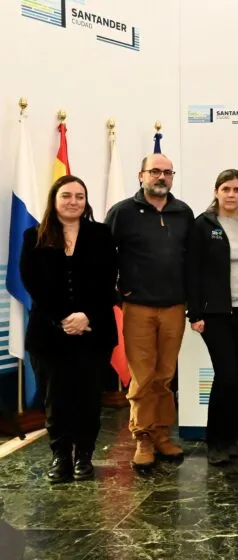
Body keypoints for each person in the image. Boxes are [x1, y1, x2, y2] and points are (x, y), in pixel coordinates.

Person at [21, 175, 118, 483]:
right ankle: (61, 457)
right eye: (67, 196)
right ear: (54, 199)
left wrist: (86, 316)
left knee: (88, 397)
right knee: (56, 398)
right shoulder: (33, 236)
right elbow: (32, 282)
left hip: (93, 333)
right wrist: (64, 317)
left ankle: (84, 457)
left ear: (85, 202)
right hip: (50, 334)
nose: (73, 201)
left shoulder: (102, 235)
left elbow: (108, 281)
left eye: (79, 196)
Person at [105, 153, 195, 470]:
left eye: (167, 172)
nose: (161, 177)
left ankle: (161, 434)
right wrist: (118, 293)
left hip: (174, 307)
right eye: (154, 171)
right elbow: (104, 257)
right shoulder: (122, 213)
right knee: (142, 376)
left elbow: (192, 260)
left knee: (165, 375)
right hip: (138, 307)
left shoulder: (183, 212)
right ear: (140, 175)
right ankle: (141, 436)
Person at [186, 169, 238, 466]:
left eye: (237, 189)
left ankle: (231, 437)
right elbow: (192, 271)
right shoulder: (203, 225)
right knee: (227, 375)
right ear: (216, 191)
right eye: (226, 189)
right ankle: (215, 440)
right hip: (215, 315)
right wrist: (195, 312)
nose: (231, 195)